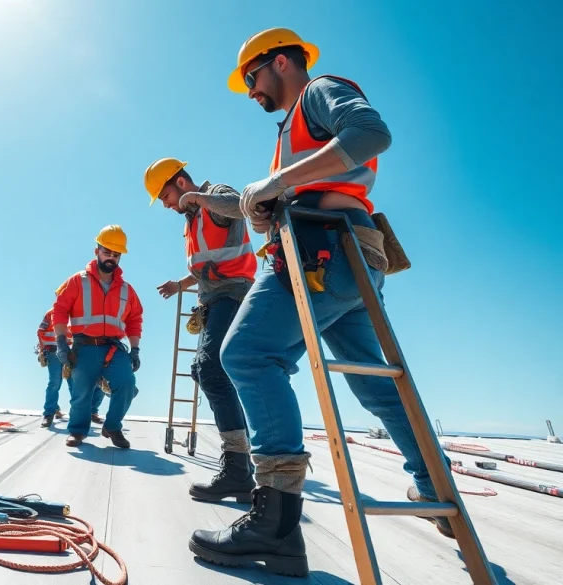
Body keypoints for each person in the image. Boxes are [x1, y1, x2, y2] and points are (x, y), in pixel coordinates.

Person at [188, 28, 453, 576]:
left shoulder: (319, 92)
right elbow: (305, 181)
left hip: (319, 252)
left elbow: (371, 133)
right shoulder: (294, 129)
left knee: (247, 355)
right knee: (375, 385)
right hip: (351, 258)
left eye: (252, 77)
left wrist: (279, 183)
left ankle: (276, 522)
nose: (251, 91)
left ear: (281, 62)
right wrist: (269, 199)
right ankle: (435, 484)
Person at [145, 158, 258, 502]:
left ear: (180, 183)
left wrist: (198, 198)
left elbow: (240, 206)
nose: (166, 205)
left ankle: (239, 468)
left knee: (210, 371)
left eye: (165, 196)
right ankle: (241, 466)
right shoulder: (193, 220)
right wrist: (179, 285)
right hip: (214, 300)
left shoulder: (215, 197)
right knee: (206, 371)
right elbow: (206, 266)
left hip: (233, 293)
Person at [51, 225, 143, 448]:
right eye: (106, 252)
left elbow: (134, 320)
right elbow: (60, 310)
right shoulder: (77, 281)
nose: (111, 258)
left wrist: (135, 349)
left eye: (116, 254)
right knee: (81, 391)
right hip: (84, 347)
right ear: (97, 251)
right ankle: (77, 431)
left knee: (127, 384)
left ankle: (112, 427)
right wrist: (61, 343)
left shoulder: (126, 290)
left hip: (114, 348)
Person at [36, 308, 105, 427]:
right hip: (54, 353)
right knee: (55, 383)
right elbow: (41, 332)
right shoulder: (51, 313)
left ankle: (79, 414)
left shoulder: (79, 312)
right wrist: (44, 349)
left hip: (74, 354)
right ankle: (49, 413)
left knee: (75, 385)